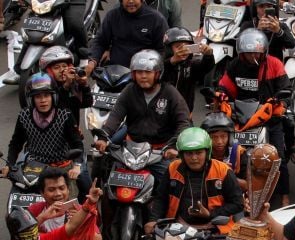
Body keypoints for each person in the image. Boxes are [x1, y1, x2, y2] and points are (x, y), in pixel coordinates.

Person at [218, 28, 293, 206]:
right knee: (228, 153)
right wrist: (220, 94)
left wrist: (279, 101)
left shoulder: (274, 64)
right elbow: (225, 86)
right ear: (240, 53)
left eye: (256, 53)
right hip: (241, 118)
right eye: (247, 53)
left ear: (263, 51)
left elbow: (286, 89)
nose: (252, 57)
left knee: (278, 158)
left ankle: (284, 195)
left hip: (269, 117)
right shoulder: (234, 65)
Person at [94, 50, 191, 183]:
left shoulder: (170, 93)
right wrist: (103, 136)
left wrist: (173, 146)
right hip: (131, 151)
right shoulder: (129, 91)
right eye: (139, 72)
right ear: (133, 74)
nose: (143, 76)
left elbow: (184, 123)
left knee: (175, 184)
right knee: (106, 179)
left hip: (160, 153)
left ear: (157, 73)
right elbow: (115, 116)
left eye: (148, 72)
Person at [2, 73, 85, 198]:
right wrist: (9, 165)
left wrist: (77, 166)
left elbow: (77, 143)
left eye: (46, 95)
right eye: (38, 97)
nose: (43, 100)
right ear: (31, 99)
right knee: (18, 198)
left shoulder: (65, 115)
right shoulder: (24, 116)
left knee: (81, 194)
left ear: (53, 97)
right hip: (33, 168)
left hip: (62, 168)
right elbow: (16, 143)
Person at [38, 45, 94, 201]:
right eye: (57, 67)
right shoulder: (43, 90)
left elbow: (87, 103)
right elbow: (56, 108)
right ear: (48, 71)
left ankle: (90, 217)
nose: (62, 70)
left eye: (65, 66)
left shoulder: (73, 86)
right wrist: (66, 86)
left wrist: (83, 84)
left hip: (73, 144)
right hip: (49, 146)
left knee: (85, 184)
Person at [86, 0, 168, 75]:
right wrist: (92, 61)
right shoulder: (112, 16)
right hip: (114, 75)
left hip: (143, 76)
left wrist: (151, 69)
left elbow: (162, 50)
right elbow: (100, 41)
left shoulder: (157, 19)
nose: (131, 1)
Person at [162, 26, 215, 113]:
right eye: (178, 46)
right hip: (162, 112)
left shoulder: (191, 65)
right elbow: (159, 74)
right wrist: (173, 61)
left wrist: (208, 55)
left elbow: (205, 68)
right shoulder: (159, 63)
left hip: (184, 114)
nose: (183, 49)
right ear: (169, 49)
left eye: (187, 46)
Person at [200, 112, 248, 191]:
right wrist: (215, 170)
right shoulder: (201, 154)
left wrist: (227, 174)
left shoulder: (239, 153)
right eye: (214, 137)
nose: (219, 141)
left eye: (223, 136)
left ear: (230, 137)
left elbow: (247, 185)